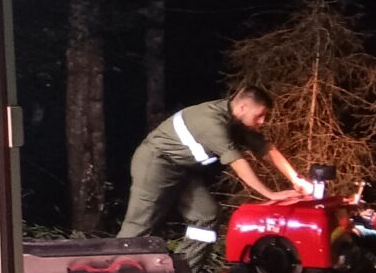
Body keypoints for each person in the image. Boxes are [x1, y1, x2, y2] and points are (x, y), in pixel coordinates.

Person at [119, 85, 311, 250]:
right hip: (156, 163)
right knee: (139, 224)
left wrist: (296, 179)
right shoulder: (212, 123)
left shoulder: (236, 121)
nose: (262, 121)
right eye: (259, 115)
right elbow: (238, 163)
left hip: (183, 169)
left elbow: (265, 148)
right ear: (243, 107)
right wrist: (270, 194)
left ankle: (186, 271)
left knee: (206, 216)